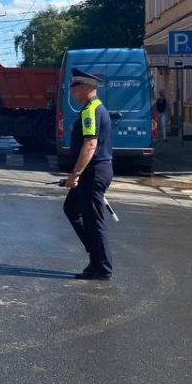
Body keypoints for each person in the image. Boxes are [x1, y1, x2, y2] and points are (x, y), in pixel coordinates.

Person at [63, 68, 114, 280]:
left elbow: (90, 143)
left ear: (85, 88)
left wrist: (75, 174)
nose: (72, 91)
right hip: (95, 171)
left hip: (93, 172)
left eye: (75, 86)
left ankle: (102, 266)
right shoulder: (95, 107)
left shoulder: (90, 110)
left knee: (94, 221)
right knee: (72, 209)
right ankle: (95, 255)